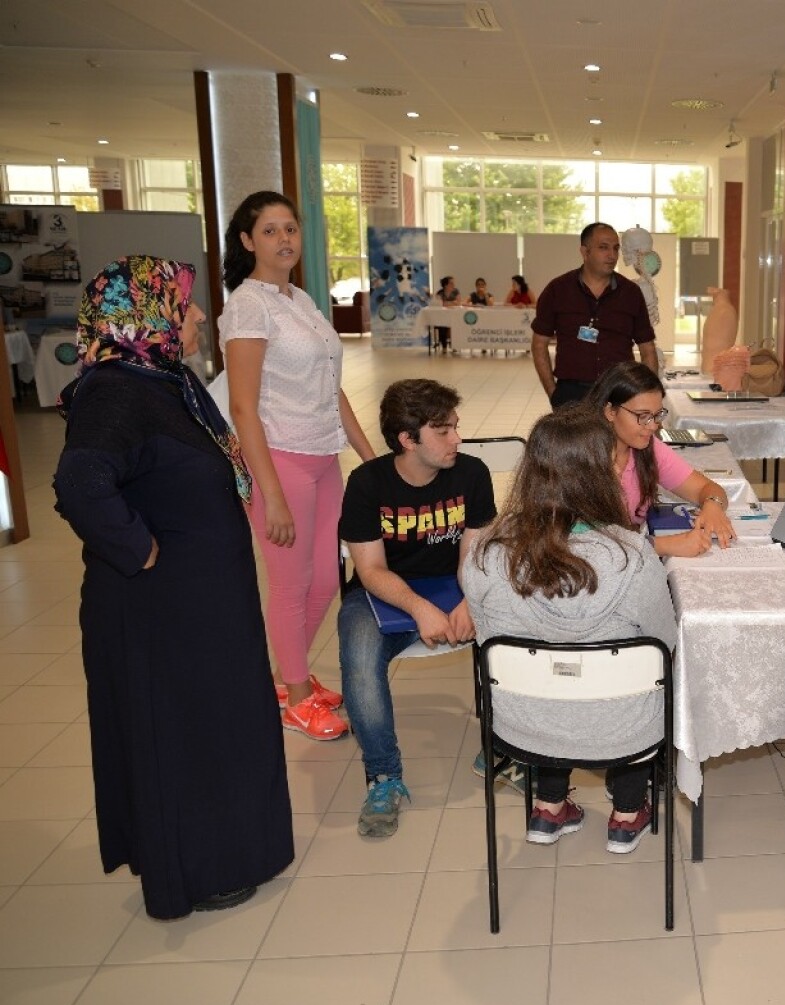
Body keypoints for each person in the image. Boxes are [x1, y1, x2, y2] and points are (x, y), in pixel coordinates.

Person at [53, 255, 293, 920]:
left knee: (219, 725)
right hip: (158, 610)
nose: (193, 317)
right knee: (186, 735)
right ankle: (197, 867)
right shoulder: (115, 391)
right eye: (182, 305)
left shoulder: (162, 379)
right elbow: (80, 482)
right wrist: (140, 546)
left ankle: (229, 852)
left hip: (200, 606)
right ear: (143, 315)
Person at [464, 407, 678, 854]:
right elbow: (666, 646)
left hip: (524, 727)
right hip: (621, 730)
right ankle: (626, 814)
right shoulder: (633, 557)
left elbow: (486, 641)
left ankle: (548, 806)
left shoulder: (485, 554)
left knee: (550, 671)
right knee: (645, 676)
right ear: (600, 472)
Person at [221, 190, 376, 742]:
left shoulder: (301, 300)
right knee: (291, 585)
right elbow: (242, 406)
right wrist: (272, 495)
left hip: (322, 457)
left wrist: (372, 460)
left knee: (323, 583)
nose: (284, 239)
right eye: (270, 230)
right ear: (247, 241)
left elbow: (333, 392)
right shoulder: (248, 305)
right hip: (280, 460)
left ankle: (286, 680)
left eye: (290, 228)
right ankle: (297, 696)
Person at [338, 379, 497, 838]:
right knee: (360, 662)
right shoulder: (367, 484)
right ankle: (384, 776)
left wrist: (471, 599)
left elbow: (475, 557)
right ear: (407, 440)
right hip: (385, 593)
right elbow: (370, 570)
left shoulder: (472, 474)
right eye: (443, 431)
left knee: (517, 631)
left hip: (455, 586)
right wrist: (421, 607)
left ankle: (505, 743)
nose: (457, 440)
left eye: (456, 428)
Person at [586, 362, 736, 558]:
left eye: (657, 416)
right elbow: (583, 545)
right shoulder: (580, 456)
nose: (653, 426)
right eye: (643, 416)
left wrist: (713, 505)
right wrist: (662, 545)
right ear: (610, 411)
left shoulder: (648, 448)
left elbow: (707, 488)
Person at [531, 222, 659, 408]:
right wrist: (554, 393)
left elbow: (648, 349)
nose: (612, 256)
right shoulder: (558, 290)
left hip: (619, 393)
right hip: (571, 394)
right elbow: (538, 344)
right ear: (585, 252)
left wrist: (647, 397)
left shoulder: (631, 293)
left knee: (616, 439)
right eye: (603, 248)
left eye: (616, 249)